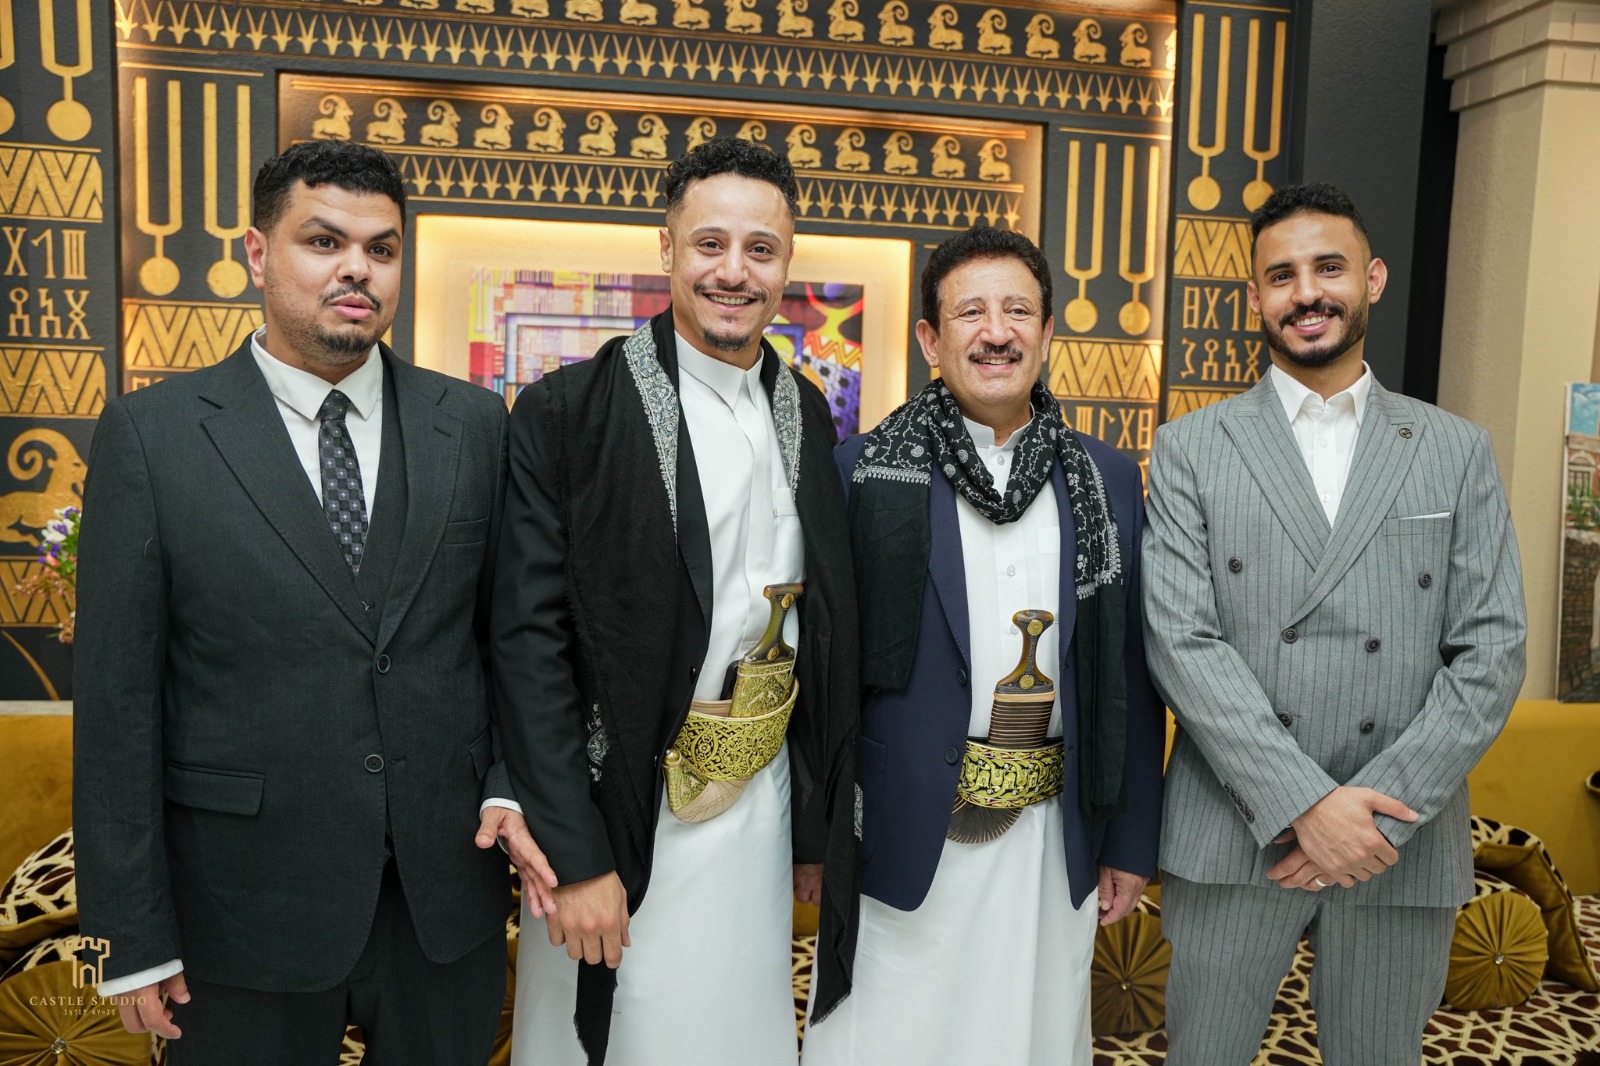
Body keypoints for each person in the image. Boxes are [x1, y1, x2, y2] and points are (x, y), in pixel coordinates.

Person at [73, 140, 553, 1065]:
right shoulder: (153, 436)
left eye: (382, 249)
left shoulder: (473, 425)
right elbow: (117, 706)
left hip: (442, 897)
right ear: (258, 254)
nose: (356, 270)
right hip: (238, 907)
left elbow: (512, 642)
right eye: (324, 241)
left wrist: (506, 780)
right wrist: (127, 938)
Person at [492, 136, 860, 1066]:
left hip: (757, 810)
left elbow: (822, 636)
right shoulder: (567, 413)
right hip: (617, 814)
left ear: (787, 263)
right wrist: (577, 853)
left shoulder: (806, 411)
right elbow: (528, 645)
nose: (734, 272)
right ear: (666, 248)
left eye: (761, 250)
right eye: (709, 244)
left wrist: (813, 828)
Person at [1143, 182, 1527, 1065]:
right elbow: (1180, 642)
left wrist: (1372, 820)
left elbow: (1493, 646)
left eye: (1329, 268)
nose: (1307, 292)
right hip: (1235, 827)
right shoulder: (1191, 447)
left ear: (1373, 279)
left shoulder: (1454, 448)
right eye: (1281, 276)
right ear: (1255, 297)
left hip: (1401, 832)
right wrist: (1305, 807)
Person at [803, 225, 1164, 1065]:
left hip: (1051, 835)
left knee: (1029, 1036)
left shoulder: (1108, 477)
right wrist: (814, 839)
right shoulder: (860, 471)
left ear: (1046, 332)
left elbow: (1129, 672)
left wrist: (1129, 841)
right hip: (902, 828)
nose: (996, 332)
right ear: (931, 339)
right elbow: (822, 673)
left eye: (1018, 311)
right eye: (970, 312)